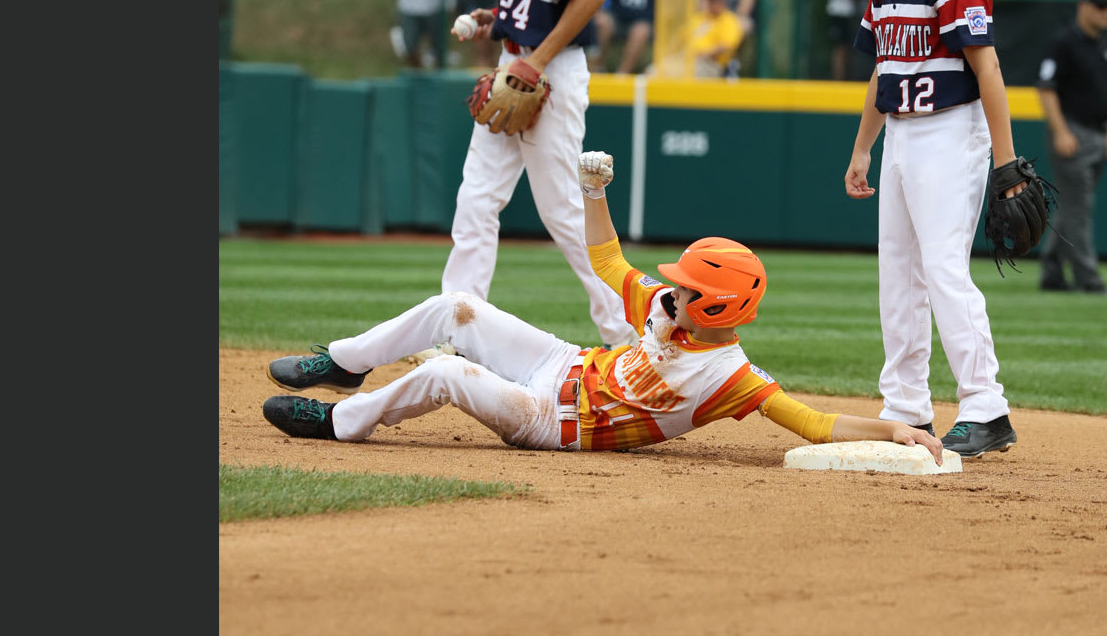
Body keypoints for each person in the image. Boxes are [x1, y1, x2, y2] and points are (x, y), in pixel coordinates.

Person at [262, 153, 945, 464]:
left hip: (552, 424)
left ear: (712, 308)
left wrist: (895, 431)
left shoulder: (731, 377)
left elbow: (815, 423)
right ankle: (345, 363)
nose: (667, 288)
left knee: (448, 375)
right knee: (458, 308)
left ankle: (340, 425)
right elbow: (609, 263)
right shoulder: (667, 311)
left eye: (683, 287)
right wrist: (594, 194)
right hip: (563, 365)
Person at [844, 0, 1030, 458]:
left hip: (951, 133)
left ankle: (986, 405)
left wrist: (1005, 162)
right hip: (900, 133)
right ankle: (906, 405)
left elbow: (988, 68)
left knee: (944, 269)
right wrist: (863, 148)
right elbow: (882, 70)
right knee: (897, 272)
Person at [444, 0, 635, 348]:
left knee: (565, 213)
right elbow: (536, 1)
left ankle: (627, 335)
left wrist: (535, 60)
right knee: (476, 198)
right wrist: (492, 21)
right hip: (521, 64)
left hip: (550, 72)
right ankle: (458, 326)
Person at [1035, 0, 1107, 294]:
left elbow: (1106, 93)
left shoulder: (1104, 45)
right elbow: (1046, 87)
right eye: (1100, 6)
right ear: (1083, 6)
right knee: (1079, 209)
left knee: (1072, 208)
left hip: (1097, 133)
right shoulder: (1064, 42)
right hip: (1073, 133)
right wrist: (1060, 131)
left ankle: (1052, 272)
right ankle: (1089, 279)